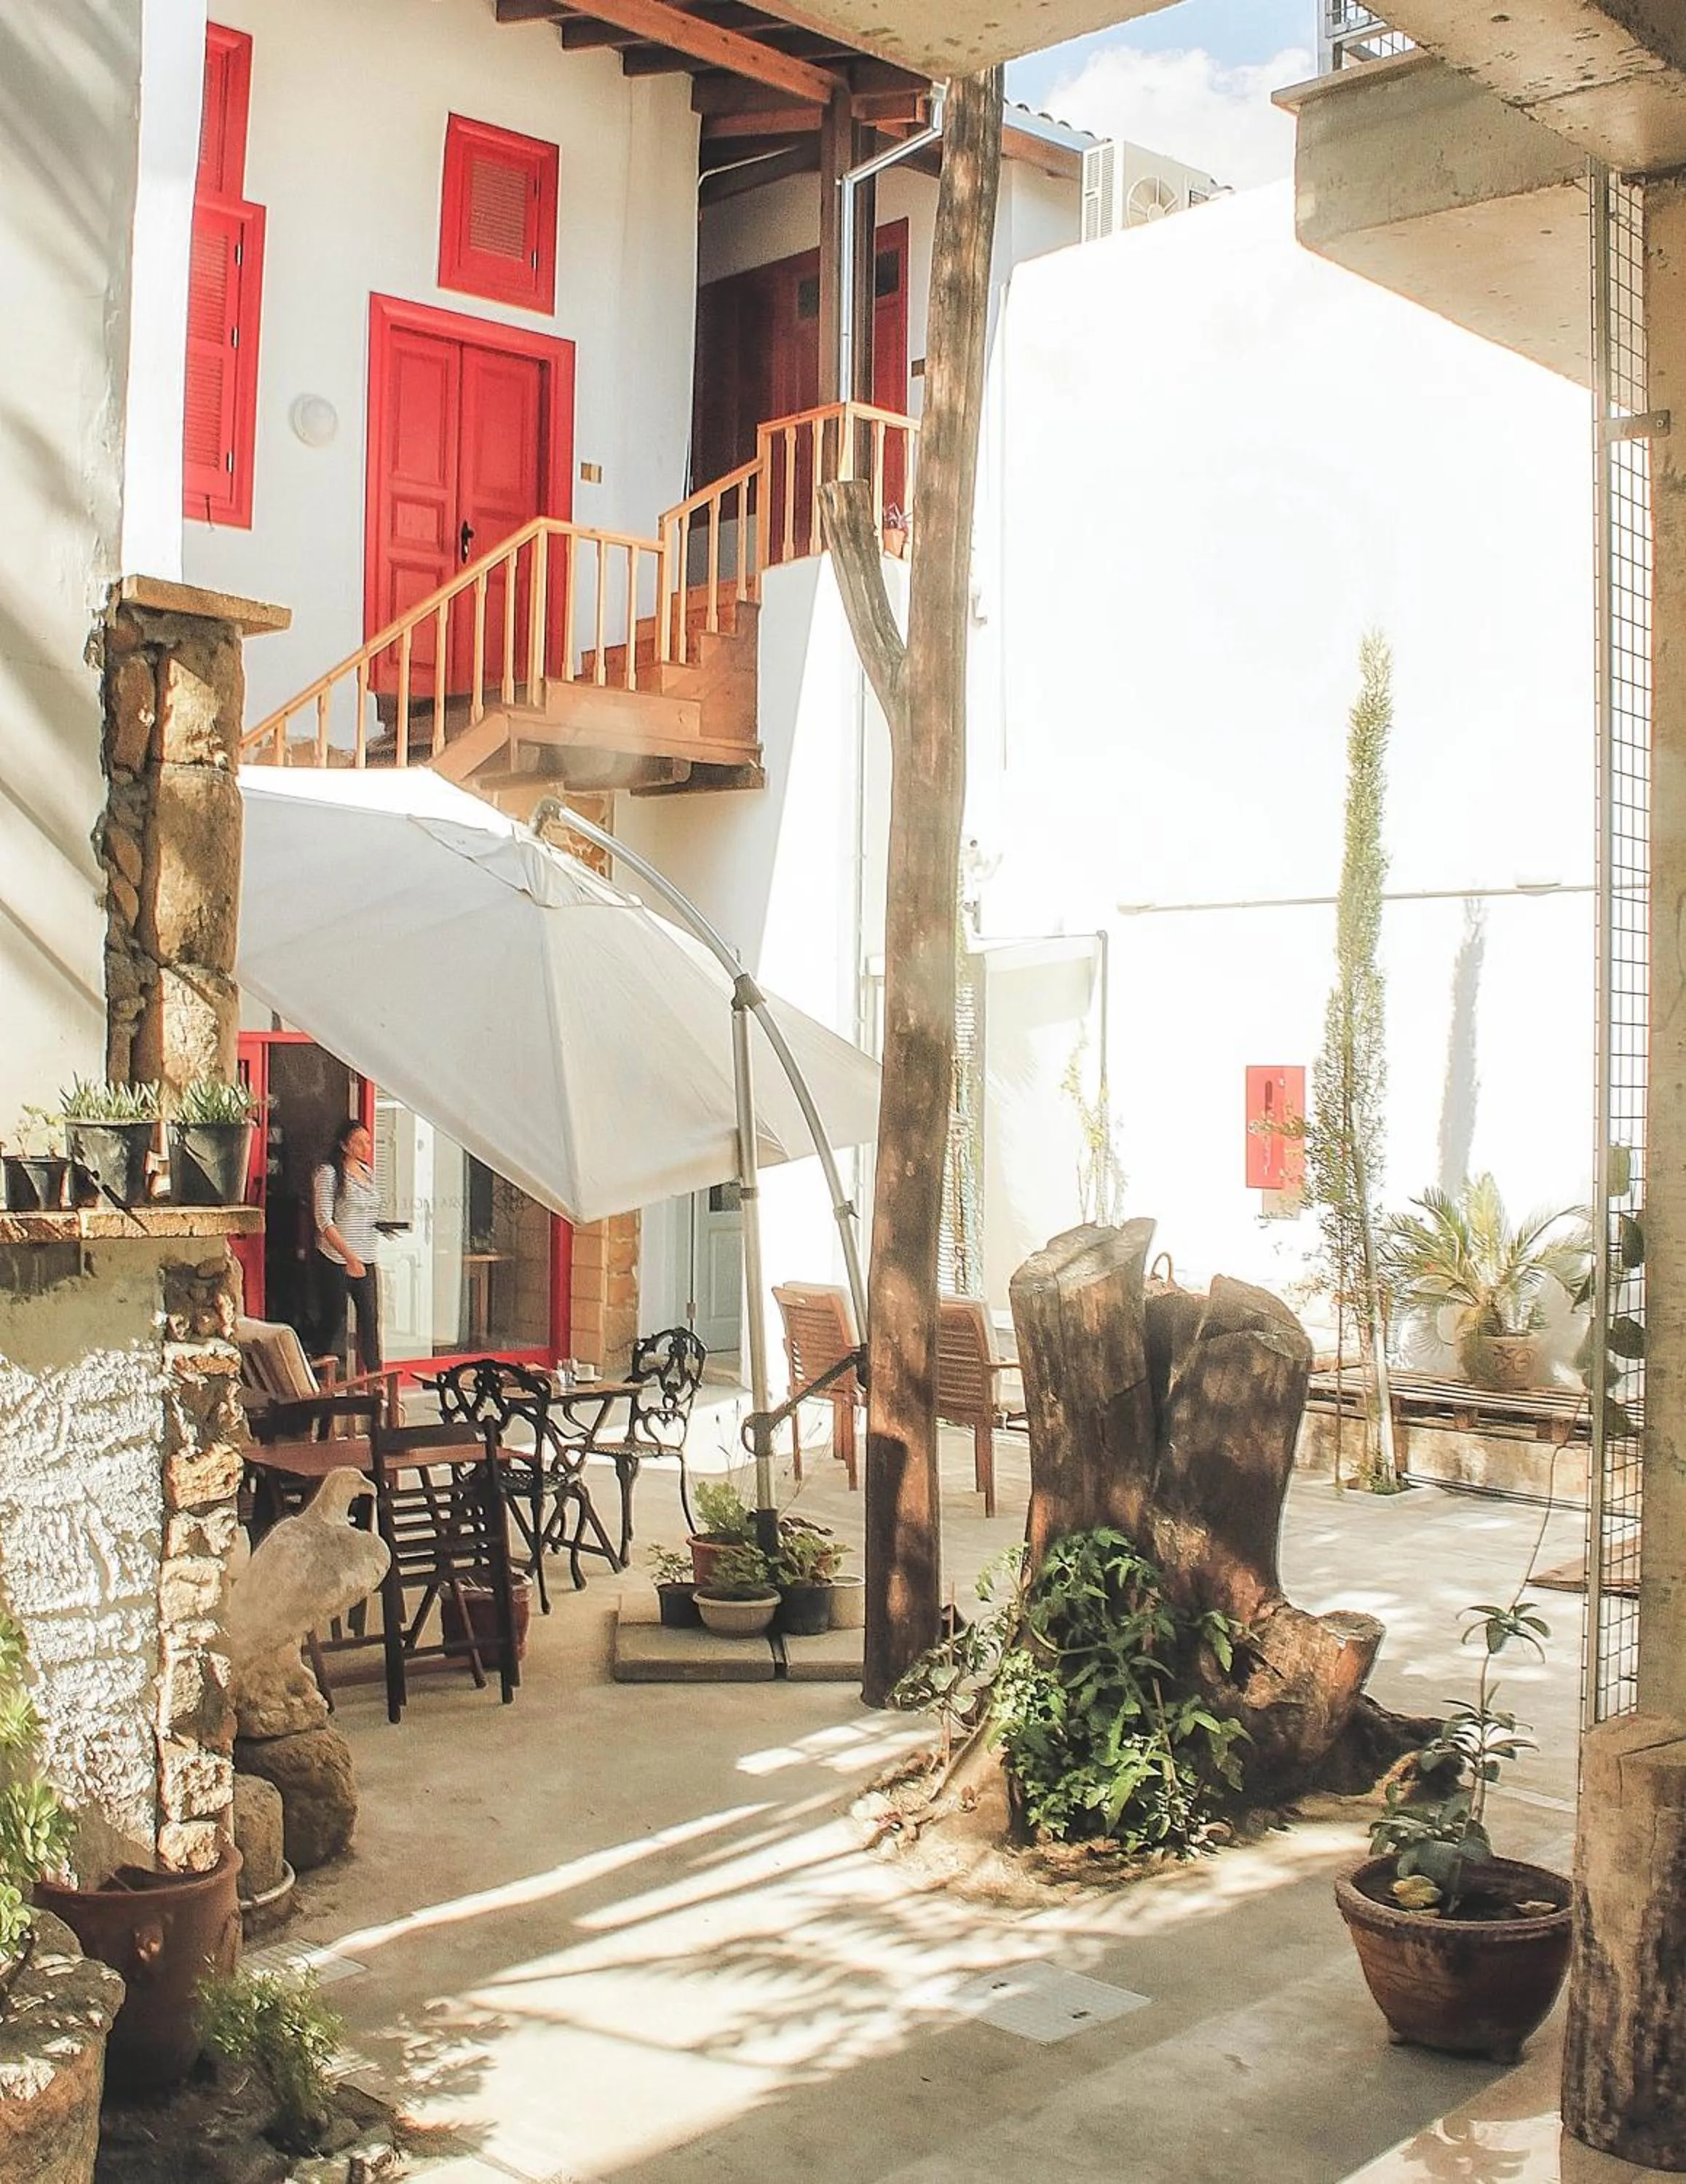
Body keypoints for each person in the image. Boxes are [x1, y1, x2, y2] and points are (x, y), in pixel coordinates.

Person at [312, 1117, 382, 1374]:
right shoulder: (329, 1173)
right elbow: (324, 1220)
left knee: (370, 1319)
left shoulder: (368, 1174)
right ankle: (320, 1379)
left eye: (368, 1142)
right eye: (359, 1142)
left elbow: (366, 1212)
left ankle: (376, 1380)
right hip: (336, 1258)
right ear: (344, 1145)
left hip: (366, 1255)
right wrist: (348, 1256)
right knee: (333, 1319)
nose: (366, 1147)